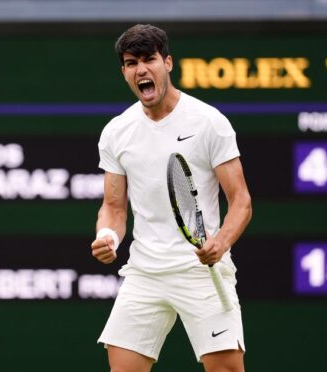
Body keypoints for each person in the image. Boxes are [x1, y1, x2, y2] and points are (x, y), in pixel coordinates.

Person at [91, 24, 252, 372]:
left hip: (201, 270)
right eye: (132, 63)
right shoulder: (117, 132)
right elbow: (114, 207)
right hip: (145, 273)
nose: (141, 69)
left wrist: (220, 243)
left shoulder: (210, 122)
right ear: (124, 72)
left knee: (226, 369)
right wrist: (107, 235)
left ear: (168, 63)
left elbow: (241, 201)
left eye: (149, 60)